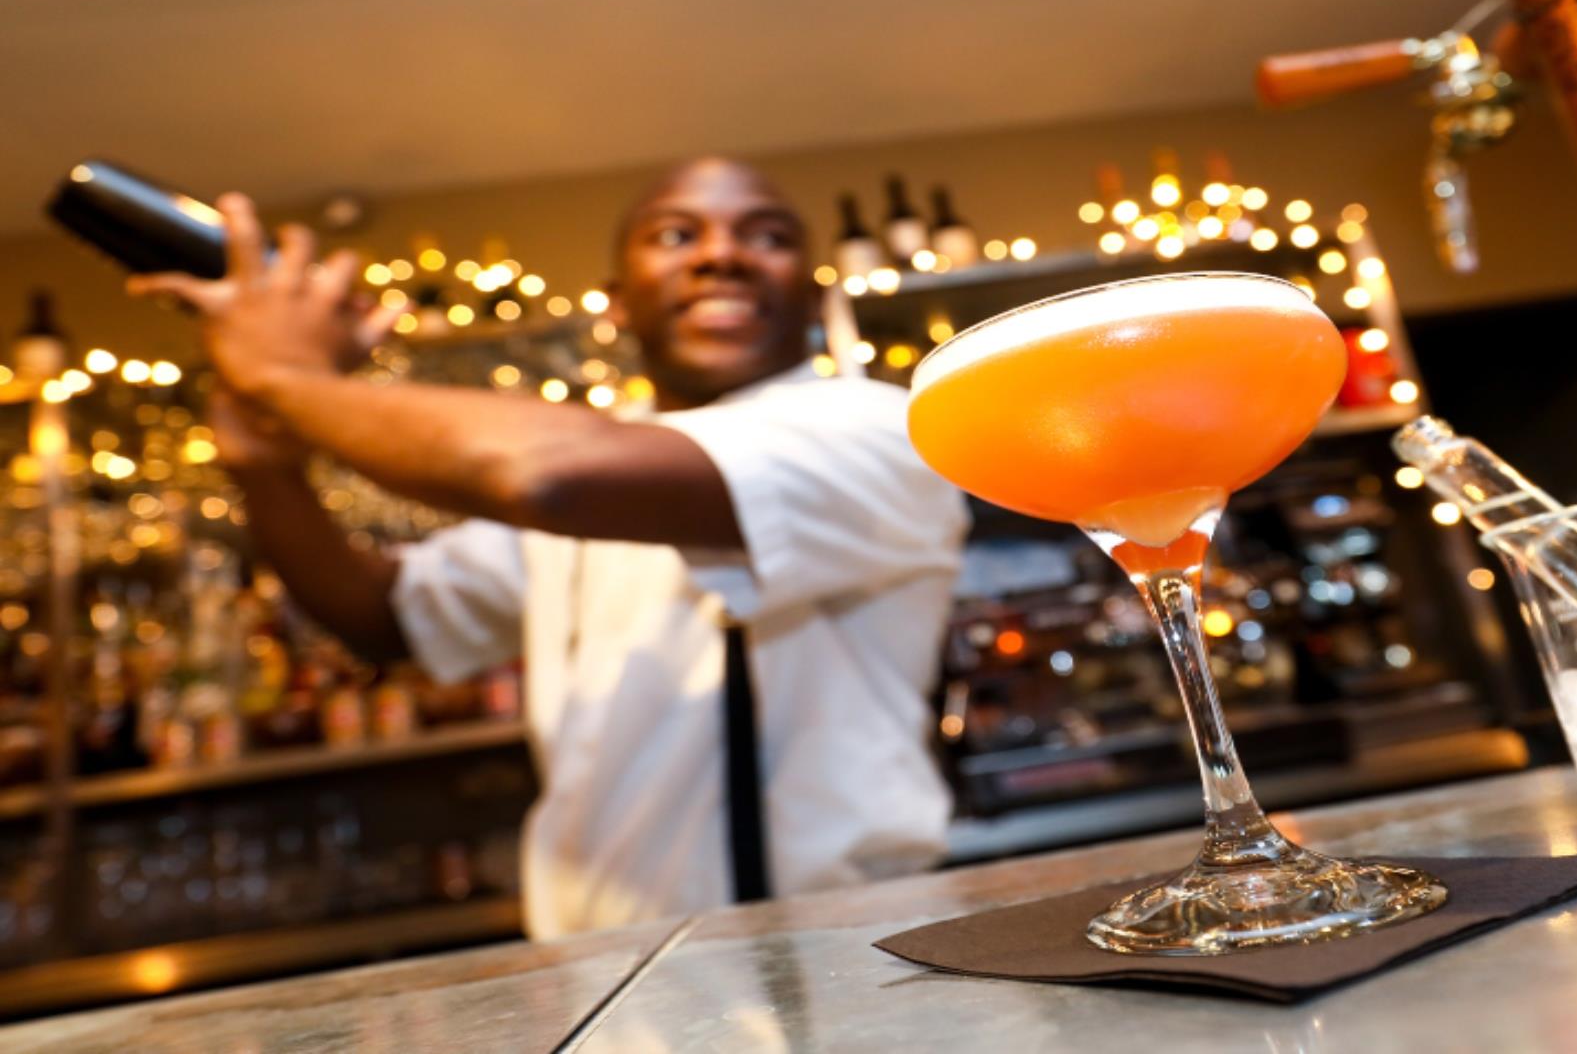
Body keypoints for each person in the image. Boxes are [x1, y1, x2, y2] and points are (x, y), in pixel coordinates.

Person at [129, 158, 969, 938]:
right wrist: (267, 468)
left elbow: (541, 475)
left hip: (818, 971)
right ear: (614, 301)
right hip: (610, 984)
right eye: (677, 235)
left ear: (812, 292)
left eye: (768, 236)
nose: (722, 256)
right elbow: (385, 618)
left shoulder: (874, 429)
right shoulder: (612, 455)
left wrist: (290, 380)